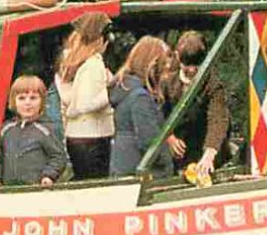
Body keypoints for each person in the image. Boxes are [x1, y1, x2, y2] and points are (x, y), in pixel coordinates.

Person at [55, 13, 115, 179]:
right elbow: (85, 104)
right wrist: (110, 93)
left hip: (75, 136)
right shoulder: (94, 64)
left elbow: (69, 100)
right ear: (101, 39)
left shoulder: (67, 65)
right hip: (95, 137)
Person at [164, 31, 230, 179]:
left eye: (197, 64)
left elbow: (218, 119)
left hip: (208, 154)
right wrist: (169, 137)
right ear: (177, 56)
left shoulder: (213, 84)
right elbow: (158, 114)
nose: (192, 70)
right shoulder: (167, 81)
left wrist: (210, 153)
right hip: (180, 156)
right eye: (186, 64)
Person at [108, 37, 172, 178]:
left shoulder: (126, 90)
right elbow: (148, 141)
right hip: (140, 172)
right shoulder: (140, 97)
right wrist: (166, 161)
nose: (167, 67)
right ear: (153, 64)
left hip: (123, 166)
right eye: (164, 63)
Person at [0, 76, 66, 187]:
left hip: (35, 188)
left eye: (33, 98)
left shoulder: (46, 130)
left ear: (42, 101)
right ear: (13, 101)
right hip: (8, 189)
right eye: (22, 98)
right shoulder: (6, 129)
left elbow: (58, 157)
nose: (27, 103)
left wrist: (48, 176)